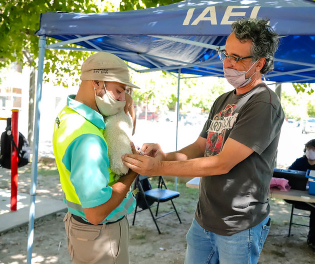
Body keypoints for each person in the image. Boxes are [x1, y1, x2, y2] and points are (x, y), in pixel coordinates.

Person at [122, 18, 284, 264]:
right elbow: (201, 147)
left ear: (259, 63)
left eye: (237, 58)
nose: (227, 63)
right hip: (205, 218)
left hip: (238, 225)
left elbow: (222, 163)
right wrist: (164, 156)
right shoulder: (223, 100)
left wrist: (159, 169)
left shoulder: (263, 103)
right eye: (225, 54)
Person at [52, 52, 139, 263]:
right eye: (119, 91)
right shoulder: (88, 138)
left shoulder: (68, 115)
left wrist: (125, 103)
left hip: (81, 228)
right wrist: (134, 172)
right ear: (97, 83)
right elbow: (96, 213)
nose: (122, 98)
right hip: (101, 233)